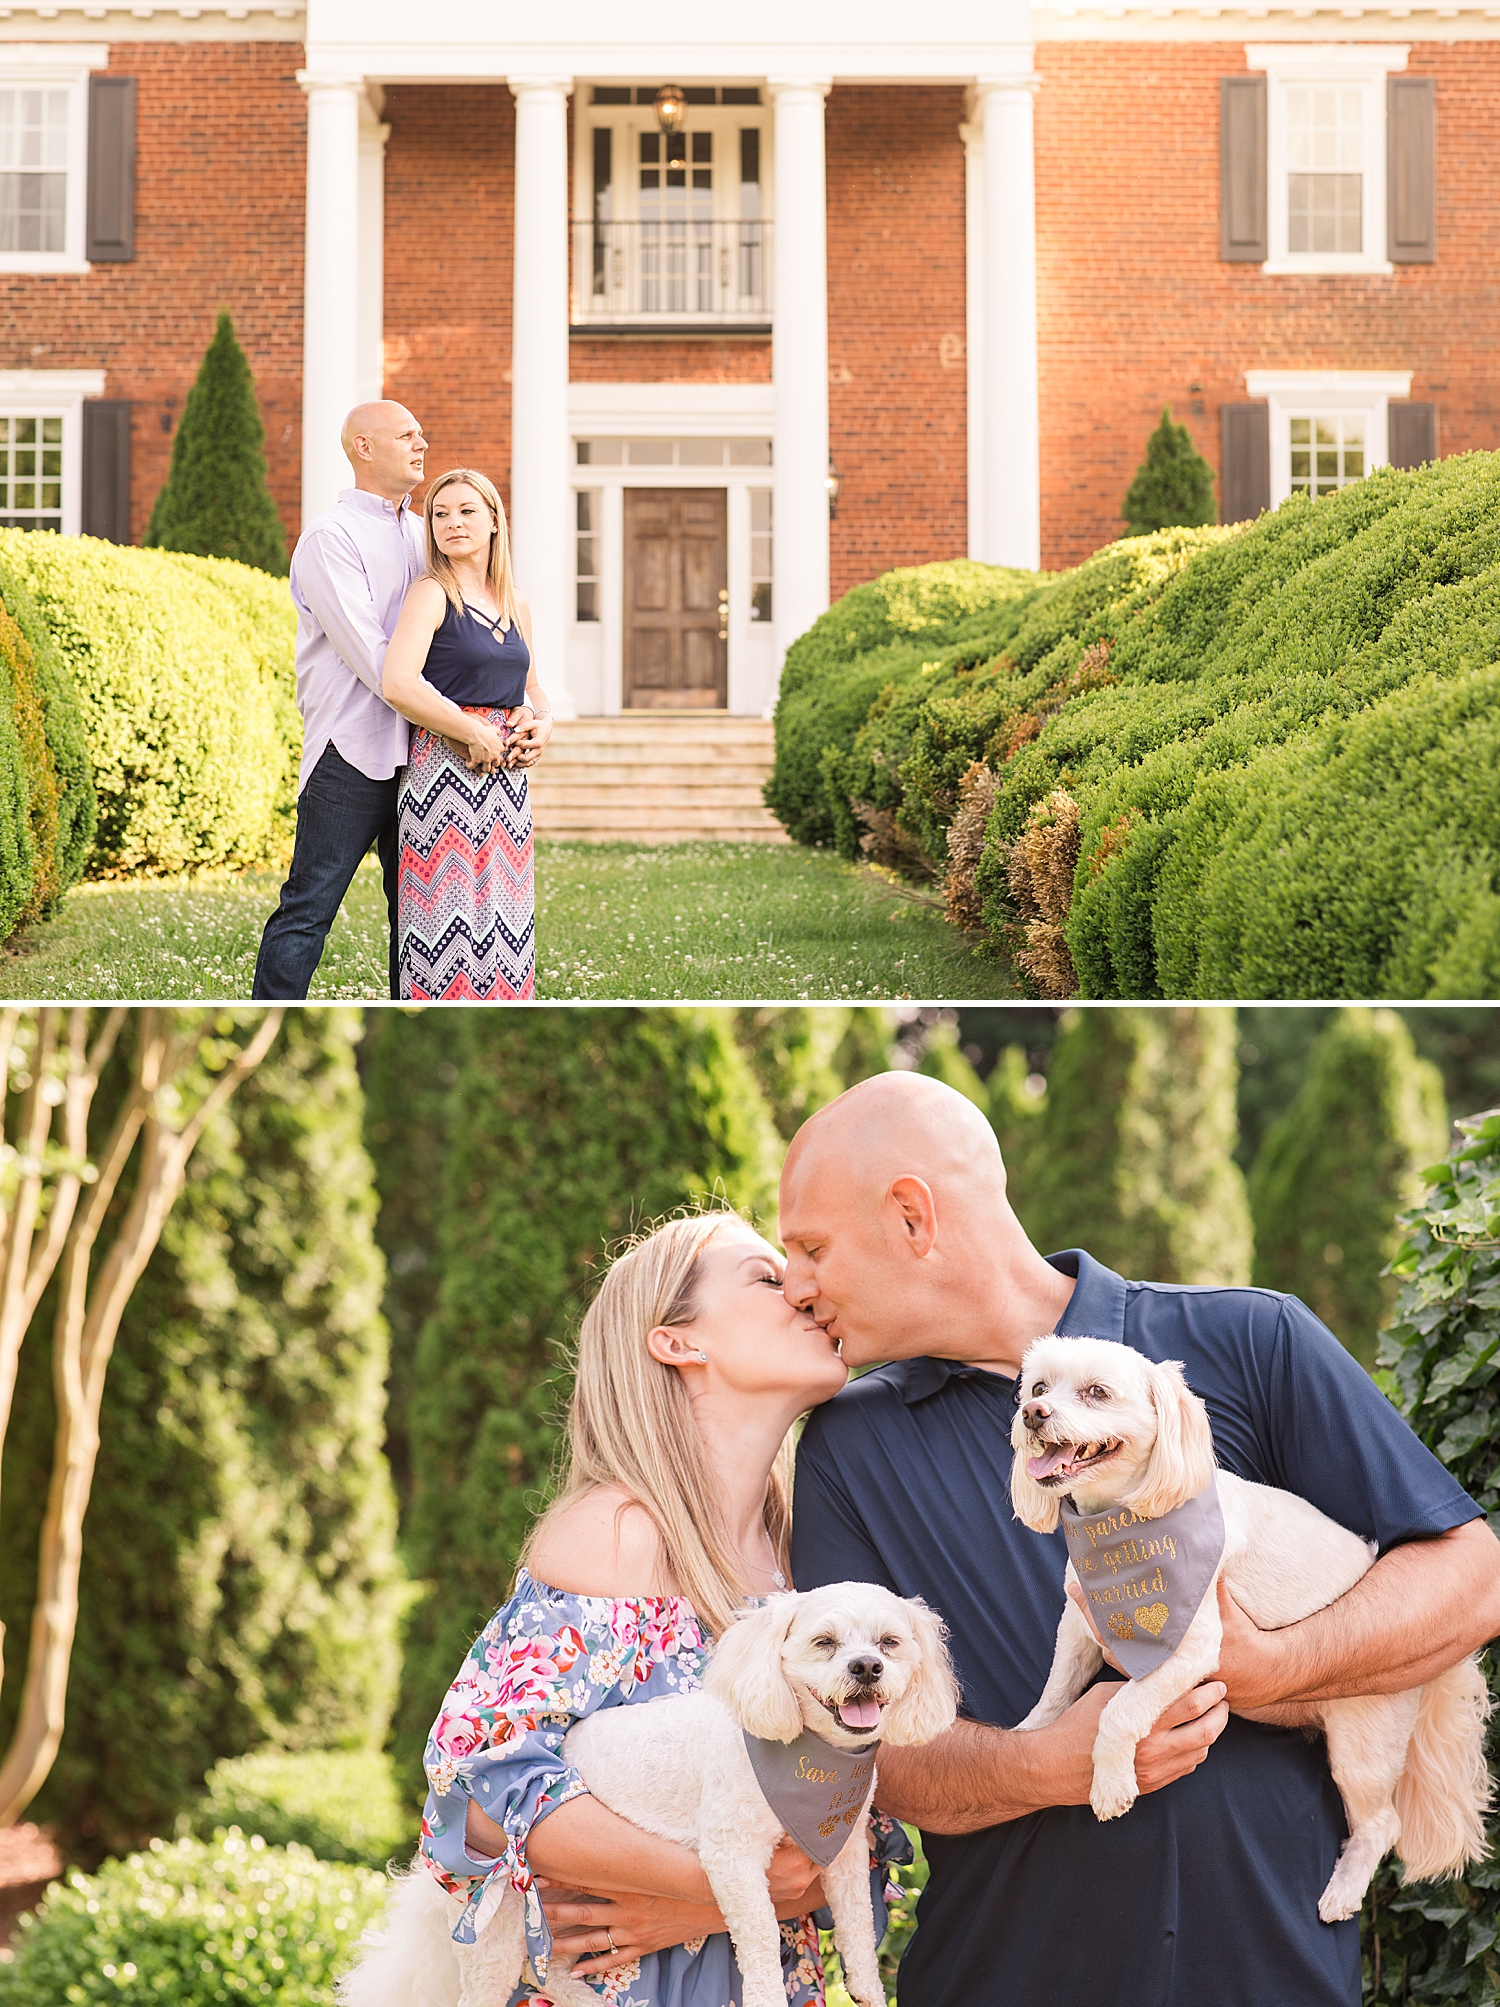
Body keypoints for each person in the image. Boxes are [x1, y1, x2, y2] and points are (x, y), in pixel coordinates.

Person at [778, 1071, 1500, 2007]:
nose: (793, 1283)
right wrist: (1045, 1765)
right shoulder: (846, 1447)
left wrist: (1268, 1665)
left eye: (810, 1248)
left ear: (913, 1217)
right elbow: (859, 1748)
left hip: (1276, 1979)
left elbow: (1471, 1578)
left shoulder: (1253, 1340)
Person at [418, 1211, 908, 2005]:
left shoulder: (806, 1564)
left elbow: (844, 1819)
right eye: (764, 1275)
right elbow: (477, 1787)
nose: (804, 1290)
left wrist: (771, 1883)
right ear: (678, 1340)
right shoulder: (616, 1533)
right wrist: (710, 1888)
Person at [253, 401, 441, 1000]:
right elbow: (379, 662)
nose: (422, 444)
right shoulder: (329, 540)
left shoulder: (424, 533)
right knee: (308, 910)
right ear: (364, 447)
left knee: (415, 922)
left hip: (426, 752)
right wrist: (466, 722)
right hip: (349, 754)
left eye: (421, 435)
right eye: (406, 435)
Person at [381, 469, 553, 1000]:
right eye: (440, 514)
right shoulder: (431, 594)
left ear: (495, 521)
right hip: (445, 771)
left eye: (467, 511)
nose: (453, 523)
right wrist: (471, 730)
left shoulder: (516, 602)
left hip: (508, 782)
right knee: (447, 915)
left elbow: (532, 686)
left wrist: (543, 724)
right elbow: (398, 683)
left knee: (505, 915)